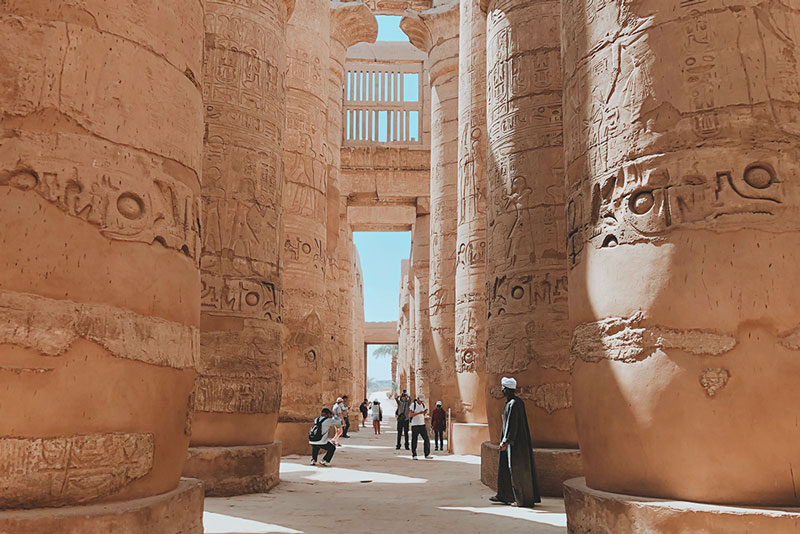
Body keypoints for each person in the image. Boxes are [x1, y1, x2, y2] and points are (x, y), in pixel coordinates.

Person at [489, 377, 541, 507]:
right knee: (506, 468)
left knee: (516, 470)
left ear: (506, 390)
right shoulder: (515, 403)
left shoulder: (513, 404)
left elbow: (513, 424)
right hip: (515, 443)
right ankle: (505, 495)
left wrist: (506, 441)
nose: (501, 390)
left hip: (515, 444)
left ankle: (522, 499)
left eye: (503, 388)